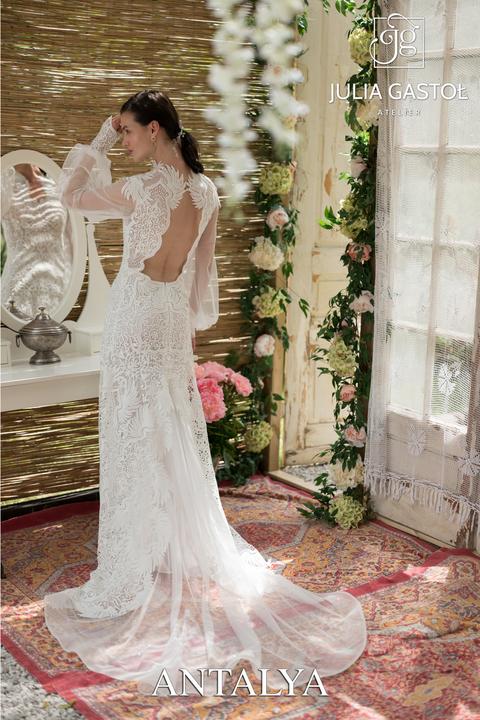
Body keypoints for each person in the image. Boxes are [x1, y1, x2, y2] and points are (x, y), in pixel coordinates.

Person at [43, 89, 367, 696]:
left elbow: (71, 196)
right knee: (165, 429)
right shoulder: (207, 190)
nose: (126, 140)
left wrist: (98, 142)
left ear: (156, 130)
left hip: (136, 318)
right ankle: (162, 544)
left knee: (131, 432)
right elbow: (201, 274)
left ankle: (132, 559)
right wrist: (183, 332)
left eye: (130, 131)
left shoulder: (143, 189)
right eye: (121, 133)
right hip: (168, 320)